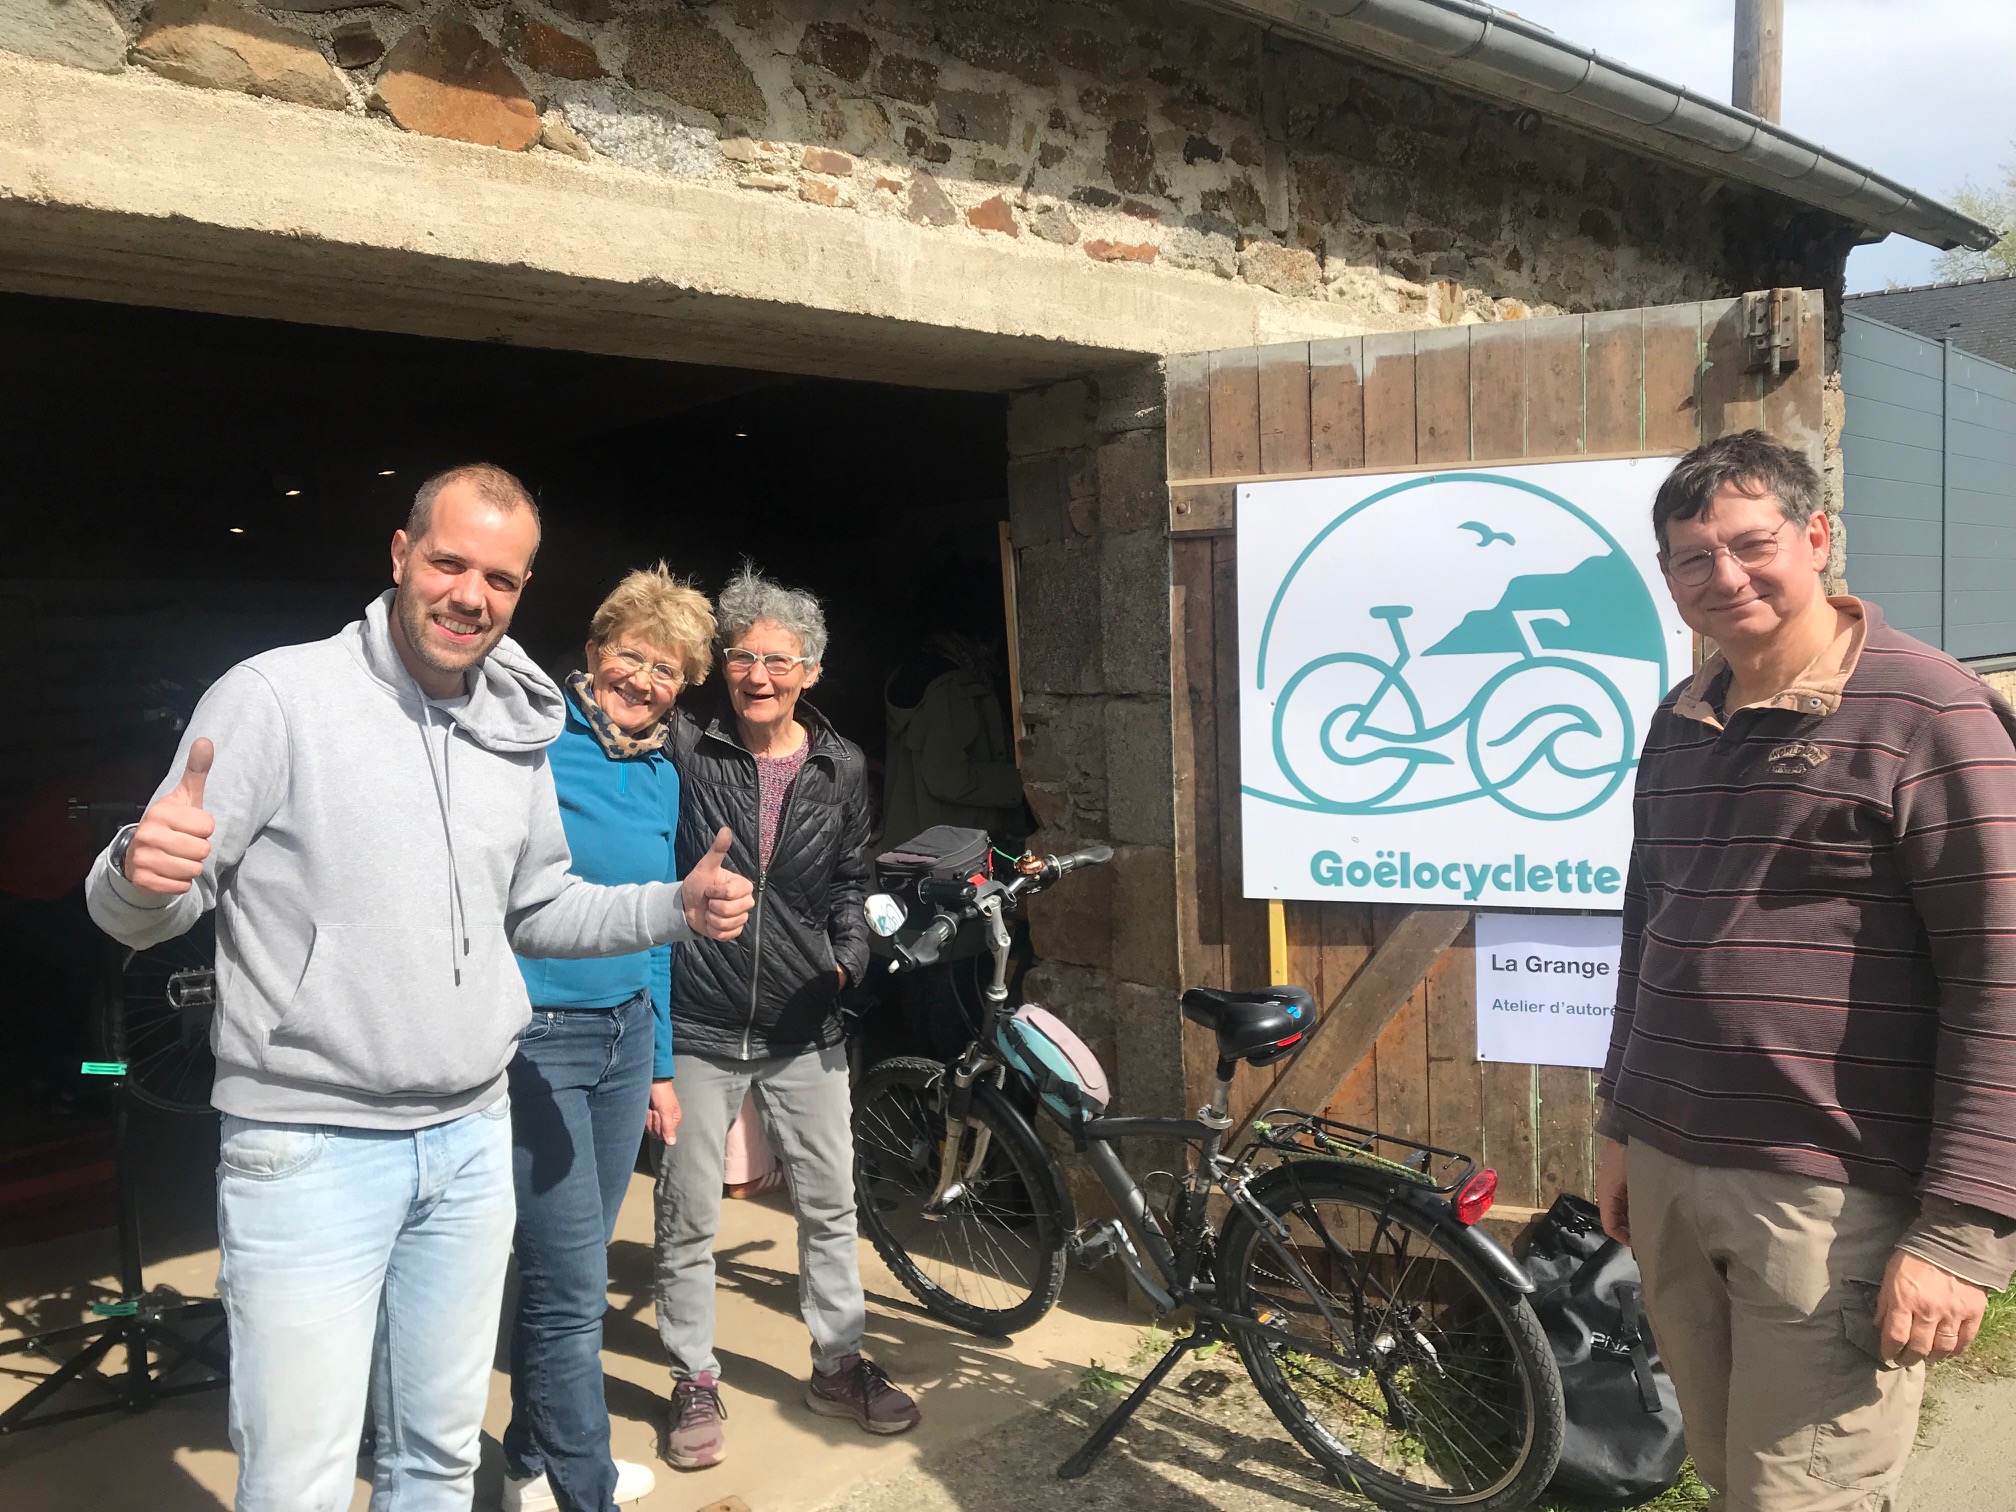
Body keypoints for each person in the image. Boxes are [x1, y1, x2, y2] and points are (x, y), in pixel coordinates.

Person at [86, 465, 754, 1512]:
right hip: (310, 1147)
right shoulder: (275, 697)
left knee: (438, 1462)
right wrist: (135, 872)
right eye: (448, 562)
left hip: (470, 1135)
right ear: (400, 556)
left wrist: (673, 904)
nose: (470, 594)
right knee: (299, 1479)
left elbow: (541, 909)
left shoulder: (513, 726)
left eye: (500, 576)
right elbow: (153, 907)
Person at [1595, 430, 2016, 1512]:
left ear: (1816, 537)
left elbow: (2000, 976)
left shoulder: (1929, 712)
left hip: (1830, 1198)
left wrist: (1963, 1235)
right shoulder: (1679, 726)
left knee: (1804, 1498)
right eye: (1694, 557)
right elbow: (1653, 934)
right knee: (1731, 1474)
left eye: (1751, 544)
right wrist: (1618, 1127)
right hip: (1675, 1171)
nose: (1725, 576)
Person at [654, 565, 920, 1470]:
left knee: (828, 1201)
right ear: (720, 665)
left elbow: (854, 873)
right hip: (698, 1014)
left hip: (807, 1020)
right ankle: (694, 1376)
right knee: (689, 1211)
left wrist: (847, 958)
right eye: (741, 656)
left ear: (810, 670)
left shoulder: (837, 764)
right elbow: (615, 699)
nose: (757, 674)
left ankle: (837, 1363)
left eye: (778, 659)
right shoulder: (688, 747)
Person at [501, 564, 716, 1512]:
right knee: (570, 1276)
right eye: (631, 655)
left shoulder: (665, 769)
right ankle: (582, 1483)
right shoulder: (536, 743)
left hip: (627, 1037)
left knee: (566, 1267)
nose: (644, 680)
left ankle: (525, 1461)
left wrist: (663, 1063)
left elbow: (657, 924)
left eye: (666, 669)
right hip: (539, 1039)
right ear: (593, 653)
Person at [880, 630, 1026, 850]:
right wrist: (1021, 779)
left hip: (915, 840)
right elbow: (948, 777)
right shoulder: (951, 688)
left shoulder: (912, 675)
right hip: (952, 849)